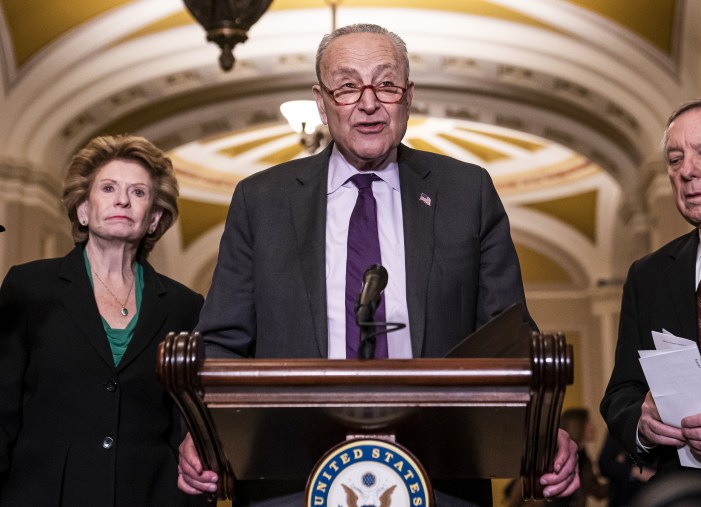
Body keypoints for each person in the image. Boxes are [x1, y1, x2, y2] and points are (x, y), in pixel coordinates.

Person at [177, 23, 579, 506]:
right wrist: (203, 431)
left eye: (386, 84)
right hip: (287, 475)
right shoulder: (261, 200)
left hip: (440, 470)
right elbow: (221, 342)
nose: (369, 102)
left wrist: (541, 426)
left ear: (408, 98)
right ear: (321, 103)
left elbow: (508, 336)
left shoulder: (465, 192)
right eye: (347, 85)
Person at [0, 135, 205, 506]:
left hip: (149, 495)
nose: (122, 200)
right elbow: (2, 409)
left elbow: (184, 422)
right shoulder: (29, 287)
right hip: (45, 494)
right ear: (82, 208)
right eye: (108, 187)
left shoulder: (185, 307)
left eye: (139, 192)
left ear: (154, 217)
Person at [600, 96, 701, 503]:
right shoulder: (648, 275)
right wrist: (642, 421)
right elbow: (621, 392)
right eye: (674, 160)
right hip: (681, 494)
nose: (687, 171)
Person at [551, 408, 608, 507]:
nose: (592, 426)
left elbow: (597, 491)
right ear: (577, 426)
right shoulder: (559, 458)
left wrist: (625, 474)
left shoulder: (583, 459)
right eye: (587, 422)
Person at [597, 433, 654, 507]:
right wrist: (633, 471)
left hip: (653, 495)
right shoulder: (619, 428)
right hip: (623, 498)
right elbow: (604, 464)